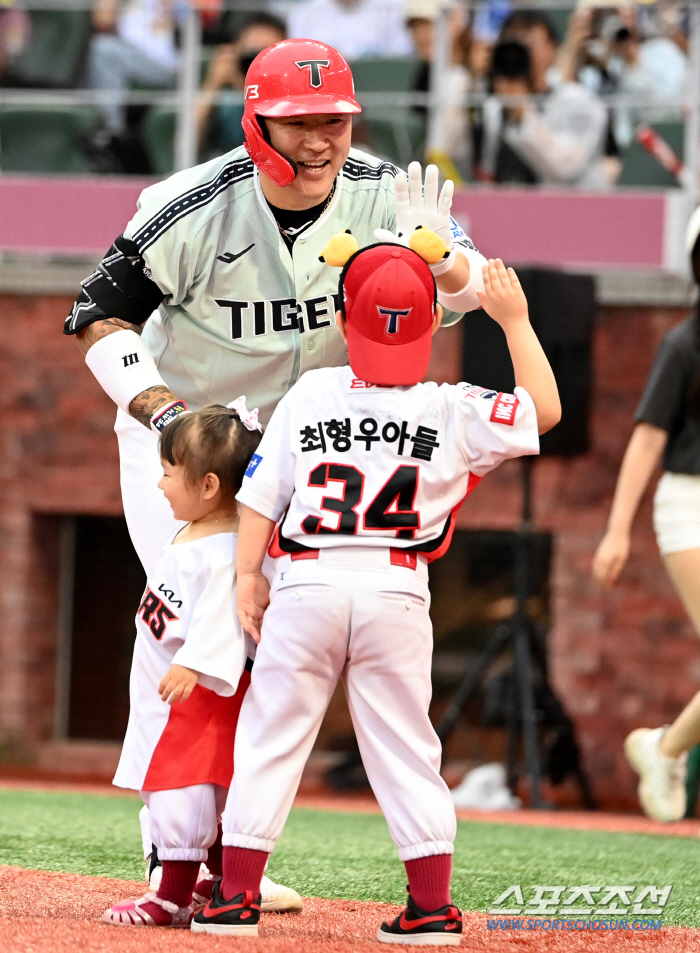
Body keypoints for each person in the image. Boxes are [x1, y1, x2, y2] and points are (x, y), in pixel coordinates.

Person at [64, 38, 488, 903]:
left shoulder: (382, 194)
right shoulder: (187, 203)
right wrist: (163, 414)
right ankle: (172, 854)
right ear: (256, 120)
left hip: (304, 446)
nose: (322, 139)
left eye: (335, 119)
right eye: (300, 123)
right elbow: (94, 315)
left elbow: (474, 290)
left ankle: (230, 854)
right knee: (191, 626)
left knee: (269, 645)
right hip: (190, 441)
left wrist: (447, 261)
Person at [191, 238, 560, 939]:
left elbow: (259, 499)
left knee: (271, 736)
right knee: (405, 746)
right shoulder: (449, 406)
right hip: (396, 588)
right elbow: (543, 410)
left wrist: (246, 576)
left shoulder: (311, 392)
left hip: (308, 580)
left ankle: (235, 897)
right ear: (426, 327)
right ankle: (429, 908)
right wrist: (511, 320)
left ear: (342, 317)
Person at [101, 400, 299, 928]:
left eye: (168, 473)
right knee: (196, 785)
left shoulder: (229, 551)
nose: (160, 485)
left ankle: (170, 897)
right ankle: (212, 878)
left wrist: (194, 663)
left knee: (183, 787)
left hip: (195, 700)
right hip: (168, 690)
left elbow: (224, 617)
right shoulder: (202, 532)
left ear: (209, 485)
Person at [593, 208, 700, 824]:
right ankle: (664, 749)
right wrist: (616, 529)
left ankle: (663, 748)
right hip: (687, 505)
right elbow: (647, 440)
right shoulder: (683, 344)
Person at [477, 13, 609, 188]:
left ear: (553, 49)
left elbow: (566, 168)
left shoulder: (579, 101)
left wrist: (522, 114)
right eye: (513, 45)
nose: (521, 54)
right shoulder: (493, 107)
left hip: (572, 209)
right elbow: (484, 170)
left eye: (530, 44)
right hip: (508, 209)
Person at [197, 12, 287, 158]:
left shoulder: (290, 92)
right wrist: (212, 84)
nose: (257, 63)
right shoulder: (224, 93)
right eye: (252, 54)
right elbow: (186, 144)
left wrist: (247, 89)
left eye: (266, 55)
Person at [288, 0, 413, 61]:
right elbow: (296, 59)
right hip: (325, 87)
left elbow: (401, 56)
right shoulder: (305, 12)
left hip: (378, 90)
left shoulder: (393, 7)